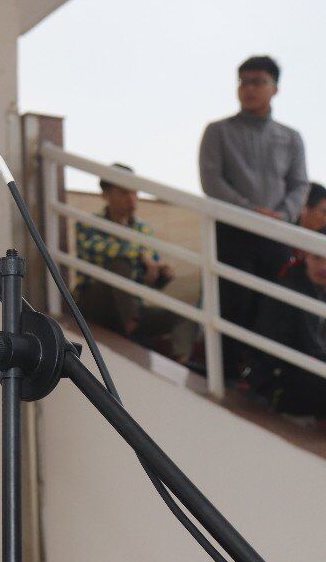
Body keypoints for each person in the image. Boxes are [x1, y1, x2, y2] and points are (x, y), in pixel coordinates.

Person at [199, 55, 308, 373]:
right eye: (244, 82)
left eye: (258, 82)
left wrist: (283, 215)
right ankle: (226, 373)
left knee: (273, 307)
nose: (249, 89)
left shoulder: (291, 137)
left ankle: (262, 378)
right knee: (233, 302)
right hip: (233, 230)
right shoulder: (218, 131)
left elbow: (299, 184)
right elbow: (211, 180)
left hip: (276, 233)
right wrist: (248, 211)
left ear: (275, 89)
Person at [74, 164, 180, 350]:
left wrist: (161, 274)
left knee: (180, 316)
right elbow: (102, 250)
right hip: (95, 302)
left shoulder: (143, 229)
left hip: (131, 306)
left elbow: (149, 275)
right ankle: (131, 325)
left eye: (134, 192)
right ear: (105, 194)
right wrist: (140, 255)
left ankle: (180, 356)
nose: (131, 199)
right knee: (120, 262)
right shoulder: (88, 224)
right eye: (124, 192)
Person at [243, 236, 326, 419]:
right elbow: (304, 350)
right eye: (318, 258)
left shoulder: (317, 288)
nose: (324, 267)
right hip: (281, 382)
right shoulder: (288, 292)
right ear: (305, 256)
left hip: (308, 370)